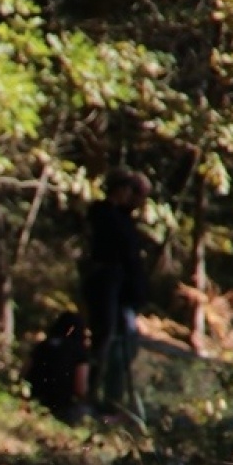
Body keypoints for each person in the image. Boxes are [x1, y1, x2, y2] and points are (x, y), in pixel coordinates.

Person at [81, 168, 150, 413]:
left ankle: (113, 399)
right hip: (107, 287)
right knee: (105, 339)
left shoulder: (123, 218)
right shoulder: (103, 214)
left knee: (123, 345)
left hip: (122, 292)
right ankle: (91, 394)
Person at [25, 312, 92, 424]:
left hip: (34, 400)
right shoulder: (79, 353)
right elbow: (81, 389)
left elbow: (24, 372)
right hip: (62, 409)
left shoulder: (42, 346)